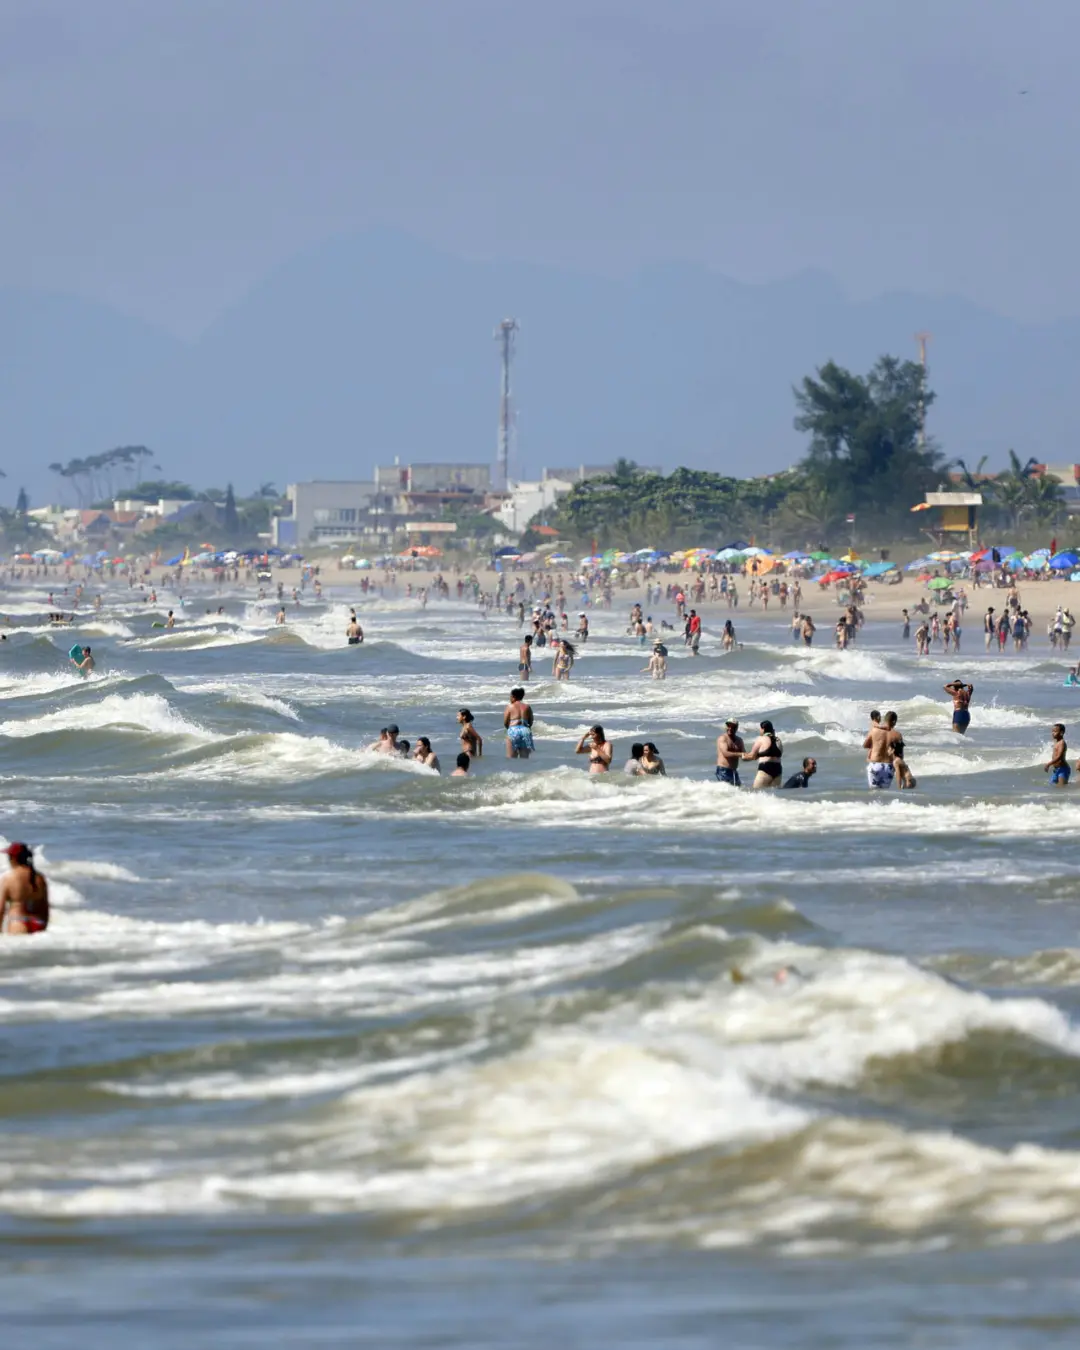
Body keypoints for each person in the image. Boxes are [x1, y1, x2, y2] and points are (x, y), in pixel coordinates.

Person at [0, 842, 49, 935]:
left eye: (9, 857)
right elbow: (45, 907)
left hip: (18, 922)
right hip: (38, 922)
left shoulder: (8, 878)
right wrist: (44, 926)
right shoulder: (40, 878)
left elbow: (1, 908)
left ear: (14, 858)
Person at [743, 719, 783, 788]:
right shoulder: (778, 740)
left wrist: (743, 757)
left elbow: (752, 756)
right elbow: (779, 754)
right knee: (774, 793)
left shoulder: (761, 739)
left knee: (756, 792)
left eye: (760, 729)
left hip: (765, 768)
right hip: (778, 769)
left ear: (763, 729)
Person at [884, 711, 916, 789]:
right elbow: (901, 752)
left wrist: (899, 788)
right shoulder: (898, 734)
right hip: (909, 778)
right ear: (894, 721)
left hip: (908, 781)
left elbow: (898, 774)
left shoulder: (896, 761)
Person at [863, 712, 894, 790]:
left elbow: (866, 745)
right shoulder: (890, 731)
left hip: (875, 763)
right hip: (888, 765)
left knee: (874, 792)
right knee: (885, 792)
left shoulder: (873, 729)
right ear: (877, 717)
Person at [503, 687, 535, 758]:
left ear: (513, 697)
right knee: (524, 759)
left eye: (510, 696)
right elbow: (530, 722)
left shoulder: (510, 706)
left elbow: (505, 722)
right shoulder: (527, 707)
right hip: (525, 731)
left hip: (513, 730)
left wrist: (510, 728)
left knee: (511, 758)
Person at [715, 718, 745, 785]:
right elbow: (725, 753)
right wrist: (740, 754)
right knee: (726, 790)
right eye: (728, 726)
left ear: (737, 728)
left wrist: (755, 755)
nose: (730, 728)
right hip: (723, 770)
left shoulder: (739, 740)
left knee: (738, 789)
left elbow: (744, 756)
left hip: (734, 771)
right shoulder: (723, 738)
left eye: (733, 727)